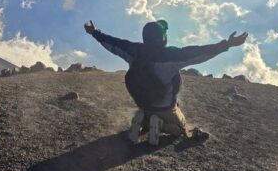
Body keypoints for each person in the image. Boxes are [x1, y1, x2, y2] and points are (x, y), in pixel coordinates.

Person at [84, 19, 247, 145]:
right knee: (181, 128)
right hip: (165, 107)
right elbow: (199, 53)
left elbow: (112, 43)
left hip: (143, 104)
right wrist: (227, 44)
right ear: (162, 38)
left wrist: (94, 32)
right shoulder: (171, 55)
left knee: (149, 114)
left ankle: (141, 120)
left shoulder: (133, 50)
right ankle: (160, 125)